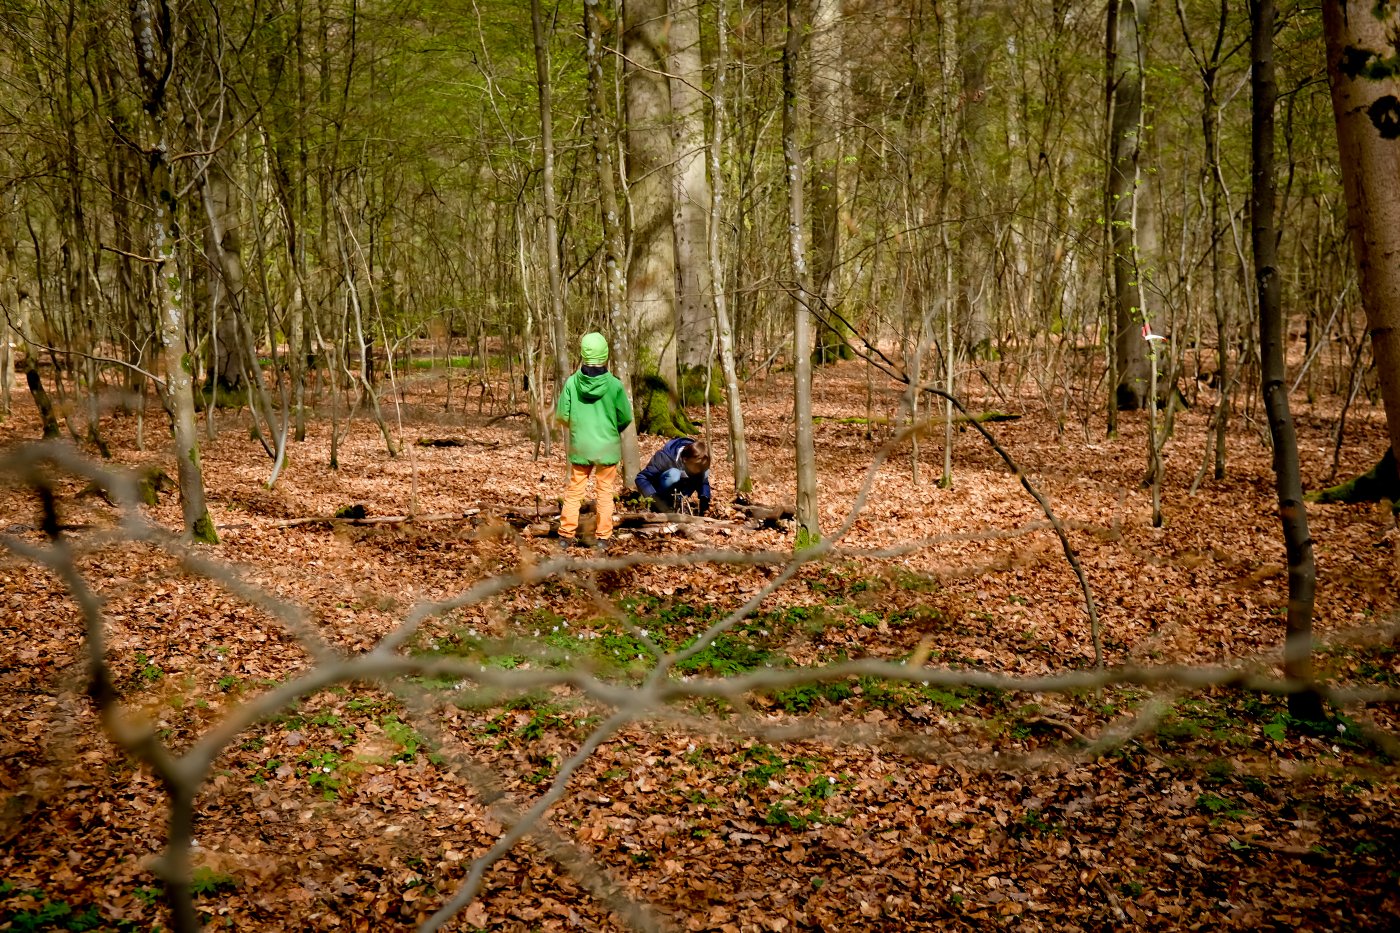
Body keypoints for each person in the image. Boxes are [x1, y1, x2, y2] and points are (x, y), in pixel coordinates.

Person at [556, 332, 632, 548]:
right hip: (607, 447)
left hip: (581, 446)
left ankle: (565, 536)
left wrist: (579, 428)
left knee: (574, 492)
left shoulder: (571, 383)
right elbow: (625, 416)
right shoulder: (615, 385)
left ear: (582, 355)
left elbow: (562, 415)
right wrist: (610, 429)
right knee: (605, 493)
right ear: (605, 355)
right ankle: (603, 538)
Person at [635, 438, 711, 516]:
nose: (700, 470)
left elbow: (703, 483)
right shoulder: (664, 458)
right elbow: (641, 478)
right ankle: (663, 504)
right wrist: (655, 499)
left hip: (679, 494)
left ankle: (677, 503)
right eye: (697, 467)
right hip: (659, 491)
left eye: (703, 468)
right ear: (685, 459)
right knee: (674, 474)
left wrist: (704, 498)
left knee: (702, 475)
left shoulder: (698, 463)